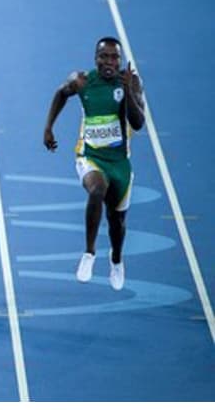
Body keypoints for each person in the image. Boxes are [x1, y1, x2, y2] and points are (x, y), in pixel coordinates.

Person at [42, 37, 144, 291]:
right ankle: (89, 253)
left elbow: (138, 123)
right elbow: (60, 93)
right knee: (97, 189)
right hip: (90, 156)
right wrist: (49, 127)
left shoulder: (130, 82)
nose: (109, 62)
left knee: (117, 223)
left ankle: (116, 260)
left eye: (114, 57)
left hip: (120, 163)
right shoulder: (82, 81)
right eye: (104, 57)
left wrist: (129, 91)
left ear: (120, 61)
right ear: (95, 58)